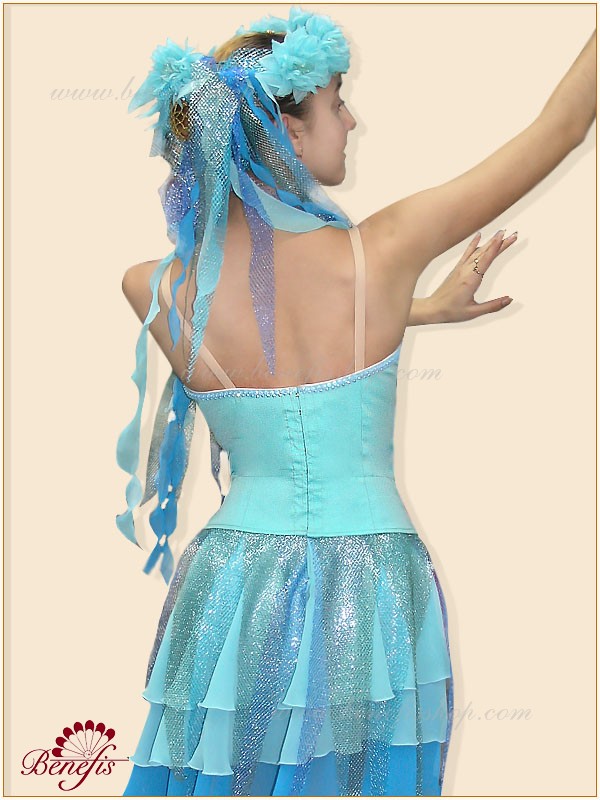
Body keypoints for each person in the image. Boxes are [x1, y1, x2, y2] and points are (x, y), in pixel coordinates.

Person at [118, 7, 596, 796]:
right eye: (337, 103)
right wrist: (407, 304)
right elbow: (565, 126)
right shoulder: (386, 252)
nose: (351, 121)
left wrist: (416, 309)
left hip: (232, 584)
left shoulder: (154, 287)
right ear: (289, 132)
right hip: (372, 581)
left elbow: (274, 352)